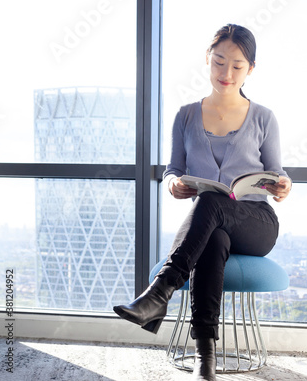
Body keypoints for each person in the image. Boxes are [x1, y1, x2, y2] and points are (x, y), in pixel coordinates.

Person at [114, 24, 292, 381]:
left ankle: (159, 293)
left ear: (250, 69)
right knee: (212, 238)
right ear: (207, 61)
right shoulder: (185, 116)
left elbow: (276, 172)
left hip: (256, 223)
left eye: (237, 65)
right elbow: (172, 169)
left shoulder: (263, 118)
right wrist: (173, 184)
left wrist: (282, 185)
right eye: (219, 62)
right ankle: (205, 360)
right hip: (213, 225)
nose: (226, 73)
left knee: (209, 204)